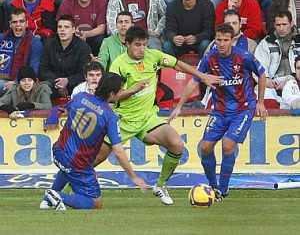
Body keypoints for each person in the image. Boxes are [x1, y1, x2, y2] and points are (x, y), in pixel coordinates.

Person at [93, 26, 224, 205]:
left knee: (177, 144)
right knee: (94, 160)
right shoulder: (118, 64)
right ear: (127, 44)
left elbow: (177, 64)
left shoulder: (153, 56)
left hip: (148, 118)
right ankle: (63, 190)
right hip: (123, 120)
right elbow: (112, 97)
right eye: (138, 45)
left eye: (145, 45)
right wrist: (133, 89)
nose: (142, 49)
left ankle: (160, 185)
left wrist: (202, 75)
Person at [169, 23, 267, 201]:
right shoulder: (209, 58)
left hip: (243, 109)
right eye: (218, 40)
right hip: (220, 110)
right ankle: (213, 187)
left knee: (228, 145)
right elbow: (193, 81)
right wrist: (178, 106)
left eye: (225, 40)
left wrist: (260, 102)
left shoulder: (243, 56)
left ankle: (223, 188)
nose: (222, 44)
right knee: (205, 147)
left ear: (232, 41)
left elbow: (261, 74)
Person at [40, 72, 146, 210]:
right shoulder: (110, 116)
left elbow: (62, 110)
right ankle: (58, 196)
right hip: (77, 164)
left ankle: (47, 201)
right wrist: (133, 177)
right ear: (112, 94)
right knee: (95, 202)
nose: (122, 92)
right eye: (121, 90)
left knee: (67, 170)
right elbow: (119, 151)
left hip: (58, 151)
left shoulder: (80, 97)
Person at [201, 8, 257, 108]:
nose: (231, 26)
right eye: (228, 23)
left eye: (234, 23)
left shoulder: (250, 44)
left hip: (242, 92)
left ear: (240, 25)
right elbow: (201, 72)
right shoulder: (213, 45)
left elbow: (258, 74)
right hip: (217, 91)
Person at [39, 14, 92, 99]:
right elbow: (43, 69)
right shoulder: (49, 44)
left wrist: (68, 81)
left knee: (85, 88)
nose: (62, 30)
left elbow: (83, 73)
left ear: (73, 30)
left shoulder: (83, 47)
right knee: (44, 87)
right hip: (54, 84)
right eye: (60, 27)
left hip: (74, 85)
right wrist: (58, 82)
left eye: (66, 27)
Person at [254, 10, 300, 108]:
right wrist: (265, 79)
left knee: (292, 89)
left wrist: (291, 78)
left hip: (295, 80)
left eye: (284, 24)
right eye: (278, 25)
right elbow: (257, 64)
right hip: (272, 82)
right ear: (274, 25)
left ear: (291, 24)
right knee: (260, 92)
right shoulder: (266, 42)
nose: (281, 28)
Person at [0, 7, 43, 97]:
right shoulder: (2, 38)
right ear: (10, 24)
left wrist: (16, 82)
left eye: (21, 21)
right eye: (14, 22)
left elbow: (33, 70)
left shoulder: (34, 43)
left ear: (27, 23)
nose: (18, 25)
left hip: (21, 83)